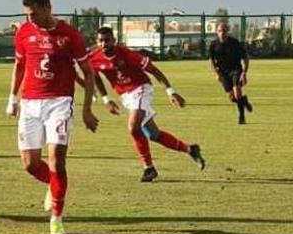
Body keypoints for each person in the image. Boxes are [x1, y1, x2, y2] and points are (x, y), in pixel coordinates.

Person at [6, 0, 99, 234]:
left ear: (47, 7)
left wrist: (87, 108)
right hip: (30, 103)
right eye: (27, 15)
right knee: (30, 164)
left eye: (34, 14)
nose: (30, 19)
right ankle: (53, 185)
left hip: (59, 102)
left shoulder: (69, 35)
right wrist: (12, 99)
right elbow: (19, 65)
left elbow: (88, 73)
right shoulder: (24, 32)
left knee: (57, 160)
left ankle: (56, 218)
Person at [88, 27, 205, 182]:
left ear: (114, 41)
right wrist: (106, 99)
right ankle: (190, 149)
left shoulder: (128, 55)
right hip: (126, 96)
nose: (104, 44)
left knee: (133, 127)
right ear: (97, 42)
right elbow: (95, 76)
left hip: (141, 88)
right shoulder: (94, 58)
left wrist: (171, 92)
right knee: (153, 135)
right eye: (101, 40)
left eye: (107, 40)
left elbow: (154, 70)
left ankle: (148, 168)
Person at [209, 22, 253, 124]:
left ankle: (242, 117)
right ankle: (244, 101)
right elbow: (211, 60)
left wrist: (244, 73)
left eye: (224, 31)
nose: (222, 33)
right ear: (216, 32)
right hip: (223, 73)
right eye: (220, 31)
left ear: (227, 32)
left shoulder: (234, 43)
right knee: (232, 98)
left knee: (237, 93)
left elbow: (245, 58)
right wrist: (216, 73)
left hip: (236, 70)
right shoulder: (213, 45)